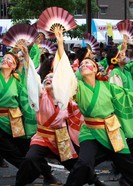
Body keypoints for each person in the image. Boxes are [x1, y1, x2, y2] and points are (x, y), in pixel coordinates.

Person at [45, 28, 133, 186]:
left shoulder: (108, 86)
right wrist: (60, 44)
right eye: (83, 63)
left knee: (128, 165)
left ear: (95, 69)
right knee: (84, 164)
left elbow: (127, 95)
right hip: (90, 131)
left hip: (112, 129)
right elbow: (65, 72)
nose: (85, 64)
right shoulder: (77, 86)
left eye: (89, 63)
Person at [15, 27, 83, 186]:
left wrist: (60, 44)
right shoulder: (39, 95)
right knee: (30, 158)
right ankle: (20, 183)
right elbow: (32, 78)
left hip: (60, 137)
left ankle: (94, 181)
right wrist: (26, 57)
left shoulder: (66, 99)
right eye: (46, 77)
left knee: (77, 167)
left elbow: (64, 70)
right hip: (41, 137)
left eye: (52, 77)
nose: (48, 78)